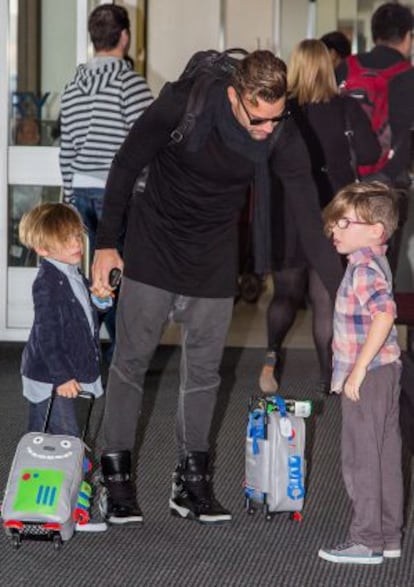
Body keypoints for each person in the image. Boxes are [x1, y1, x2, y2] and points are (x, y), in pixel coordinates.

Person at [91, 49, 343, 527]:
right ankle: (115, 476)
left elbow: (310, 218)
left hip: (212, 255)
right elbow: (125, 165)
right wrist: (106, 244)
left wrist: (344, 293)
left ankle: (192, 481)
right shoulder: (182, 103)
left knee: (205, 373)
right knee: (130, 364)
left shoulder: (281, 129)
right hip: (155, 242)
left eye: (276, 117)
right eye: (258, 119)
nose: (268, 129)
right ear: (235, 96)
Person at [258, 39, 380, 395]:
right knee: (326, 296)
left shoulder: (283, 112)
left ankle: (270, 355)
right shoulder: (346, 109)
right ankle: (329, 377)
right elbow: (370, 151)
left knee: (284, 294)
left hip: (290, 212)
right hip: (333, 214)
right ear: (329, 67)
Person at [59, 3, 153, 361]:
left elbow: (66, 148)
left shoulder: (74, 85)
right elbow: (147, 146)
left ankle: (88, 349)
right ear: (125, 36)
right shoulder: (131, 85)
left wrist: (70, 195)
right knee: (120, 277)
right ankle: (121, 355)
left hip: (82, 191)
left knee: (98, 276)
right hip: (117, 194)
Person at [318, 181, 402, 565]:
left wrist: (357, 371)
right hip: (386, 372)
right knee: (385, 455)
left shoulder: (364, 269)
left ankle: (366, 540)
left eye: (343, 222)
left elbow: (384, 315)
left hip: (368, 377)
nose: (334, 230)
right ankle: (388, 535)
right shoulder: (373, 262)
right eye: (332, 223)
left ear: (375, 230)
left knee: (360, 458)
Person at [336, 2, 414, 273]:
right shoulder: (409, 75)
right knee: (383, 271)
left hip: (347, 185)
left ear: (374, 34)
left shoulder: (346, 68)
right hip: (390, 186)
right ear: (407, 36)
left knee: (346, 272)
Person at [19, 202, 104, 436]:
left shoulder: (73, 274)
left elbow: (85, 319)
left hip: (72, 368)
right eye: (66, 239)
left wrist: (101, 301)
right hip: (53, 377)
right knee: (58, 434)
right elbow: (47, 335)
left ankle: (69, 470)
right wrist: (62, 377)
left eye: (77, 236)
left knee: (65, 429)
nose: (77, 243)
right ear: (43, 249)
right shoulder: (47, 283)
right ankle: (51, 471)